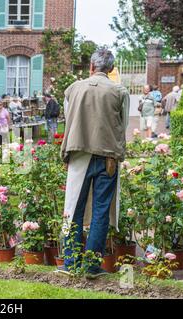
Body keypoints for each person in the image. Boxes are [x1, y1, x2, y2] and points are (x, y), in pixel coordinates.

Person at [59, 49, 130, 279]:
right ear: (110, 69)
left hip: (79, 153)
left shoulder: (73, 89)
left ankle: (70, 262)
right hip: (107, 156)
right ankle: (91, 265)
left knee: (73, 208)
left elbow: (68, 119)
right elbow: (124, 124)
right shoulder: (119, 91)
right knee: (100, 210)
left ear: (91, 66)